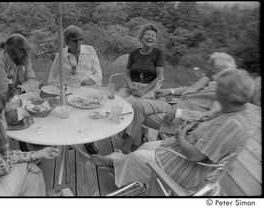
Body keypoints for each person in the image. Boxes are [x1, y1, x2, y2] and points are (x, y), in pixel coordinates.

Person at [92, 68, 259, 191]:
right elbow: (205, 119)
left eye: (219, 89)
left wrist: (181, 136)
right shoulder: (235, 110)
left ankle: (117, 167)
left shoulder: (230, 125)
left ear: (224, 94)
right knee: (146, 146)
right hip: (182, 144)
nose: (216, 93)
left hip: (188, 168)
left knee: (138, 156)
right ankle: (118, 163)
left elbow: (194, 155)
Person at [119, 52, 237, 154]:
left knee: (137, 114)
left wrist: (179, 113)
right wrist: (169, 91)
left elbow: (210, 117)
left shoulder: (223, 90)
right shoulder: (207, 79)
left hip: (183, 121)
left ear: (216, 69)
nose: (205, 66)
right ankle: (133, 147)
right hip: (173, 106)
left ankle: (126, 150)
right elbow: (188, 89)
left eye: (209, 64)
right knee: (139, 104)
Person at [0, 88, 60, 196]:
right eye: (2, 115)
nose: (4, 118)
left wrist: (37, 153)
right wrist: (4, 141)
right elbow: (6, 166)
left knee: (32, 177)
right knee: (30, 166)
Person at [48, 25, 102, 155]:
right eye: (74, 40)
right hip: (68, 89)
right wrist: (55, 90)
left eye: (80, 39)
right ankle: (68, 139)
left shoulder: (90, 50)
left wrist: (91, 79)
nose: (78, 43)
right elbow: (53, 77)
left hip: (87, 88)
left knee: (87, 113)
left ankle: (89, 140)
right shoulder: (60, 55)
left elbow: (98, 72)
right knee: (67, 113)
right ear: (67, 42)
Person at [117, 23, 164, 105]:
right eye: (148, 34)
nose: (150, 37)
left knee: (127, 103)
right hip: (131, 86)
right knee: (115, 101)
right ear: (142, 37)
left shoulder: (158, 53)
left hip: (148, 88)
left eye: (153, 36)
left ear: (155, 40)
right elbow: (127, 75)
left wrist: (144, 90)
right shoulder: (134, 53)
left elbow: (159, 76)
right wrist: (131, 88)